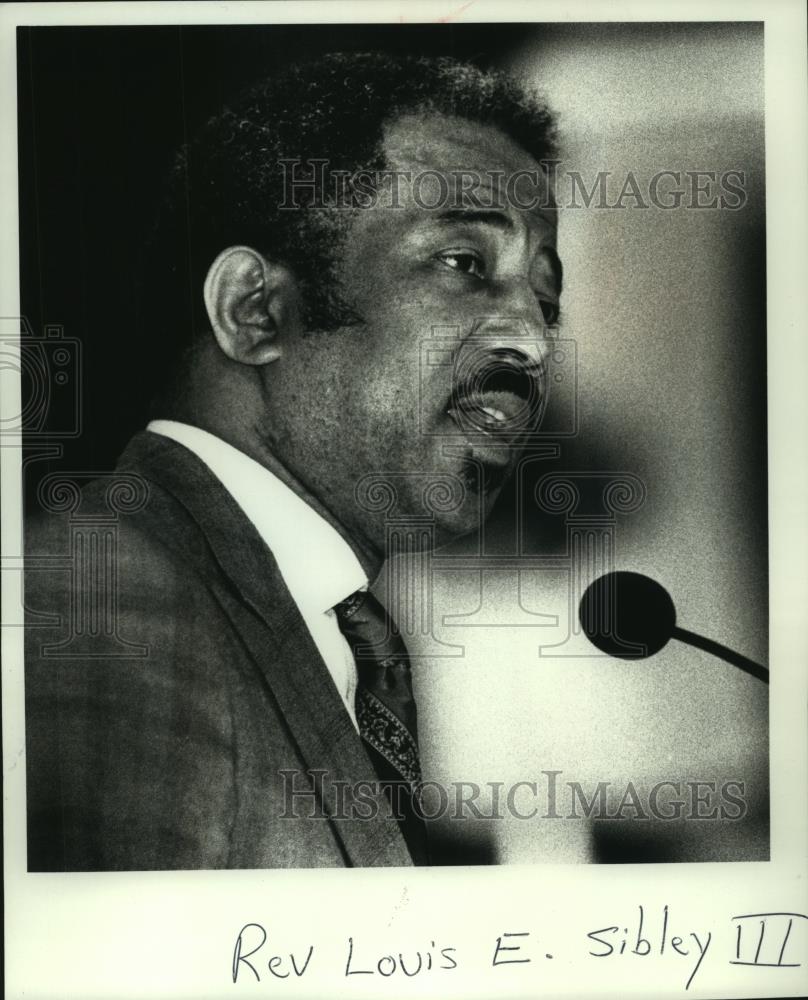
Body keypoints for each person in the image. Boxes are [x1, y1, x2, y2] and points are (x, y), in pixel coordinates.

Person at [24, 52, 562, 870]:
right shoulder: (111, 602)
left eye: (546, 300)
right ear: (257, 310)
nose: (531, 337)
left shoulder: (336, 631)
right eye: (464, 265)